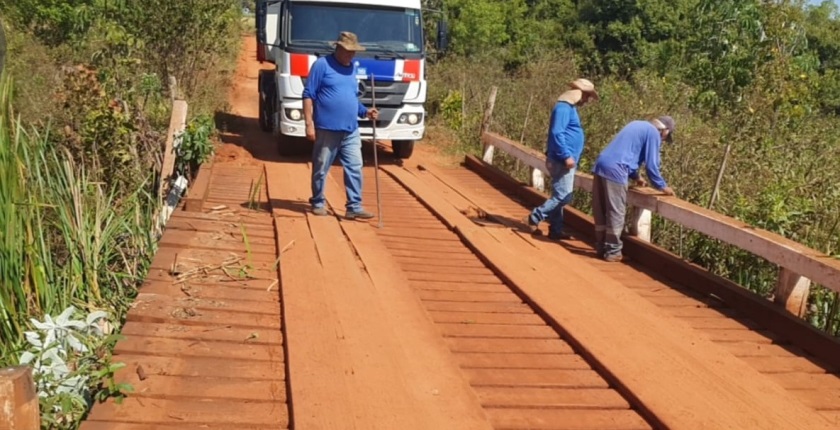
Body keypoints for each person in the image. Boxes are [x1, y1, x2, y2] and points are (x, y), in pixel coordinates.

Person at [304, 31, 379, 219]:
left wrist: (365, 111)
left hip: (351, 128)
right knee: (321, 166)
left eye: (354, 51)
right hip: (327, 128)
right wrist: (309, 124)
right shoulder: (321, 65)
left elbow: (351, 98)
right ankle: (318, 201)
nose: (351, 55)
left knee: (355, 165)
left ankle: (354, 206)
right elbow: (308, 95)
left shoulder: (352, 68)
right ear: (337, 48)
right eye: (347, 51)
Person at [591, 116, 676, 262]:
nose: (662, 141)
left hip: (601, 164)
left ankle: (601, 246)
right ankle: (613, 251)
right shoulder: (654, 134)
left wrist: (636, 177)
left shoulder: (637, 125)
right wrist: (662, 186)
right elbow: (652, 165)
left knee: (601, 209)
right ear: (665, 130)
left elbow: (626, 153)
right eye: (665, 137)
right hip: (616, 170)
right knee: (616, 211)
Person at [525, 78, 599, 240]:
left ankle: (556, 230)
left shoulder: (569, 108)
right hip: (562, 159)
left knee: (560, 194)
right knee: (564, 195)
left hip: (562, 158)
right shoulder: (563, 108)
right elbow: (557, 133)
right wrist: (566, 156)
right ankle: (536, 216)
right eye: (586, 97)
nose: (586, 101)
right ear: (579, 94)